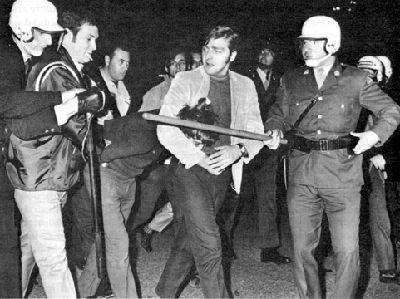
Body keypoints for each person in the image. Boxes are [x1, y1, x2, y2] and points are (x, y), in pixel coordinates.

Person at [265, 16, 400, 299]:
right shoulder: (291, 79)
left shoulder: (356, 78)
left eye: (314, 42)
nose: (306, 48)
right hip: (301, 172)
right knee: (302, 249)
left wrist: (373, 136)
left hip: (343, 175)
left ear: (333, 43)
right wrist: (274, 128)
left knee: (347, 250)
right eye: (304, 42)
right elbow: (277, 113)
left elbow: (391, 111)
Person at [155, 26, 270, 298]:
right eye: (207, 48)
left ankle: (164, 291)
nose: (209, 55)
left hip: (222, 172)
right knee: (209, 242)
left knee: (190, 239)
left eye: (218, 50)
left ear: (233, 55)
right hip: (189, 169)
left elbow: (255, 132)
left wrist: (237, 150)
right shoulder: (185, 79)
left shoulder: (245, 85)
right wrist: (197, 158)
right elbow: (165, 127)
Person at [0, 0, 101, 297]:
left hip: (32, 173)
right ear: (23, 30)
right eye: (44, 33)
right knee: (53, 260)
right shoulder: (10, 59)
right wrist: (67, 100)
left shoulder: (27, 60)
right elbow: (14, 115)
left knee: (24, 250)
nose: (49, 40)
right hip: (33, 175)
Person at [244, 45, 290, 264]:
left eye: (269, 52)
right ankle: (221, 246)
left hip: (269, 145)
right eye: (261, 52)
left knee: (268, 196)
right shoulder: (243, 77)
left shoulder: (281, 81)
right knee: (232, 194)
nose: (264, 55)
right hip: (244, 143)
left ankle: (269, 248)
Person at [358, 55, 400, 284]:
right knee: (376, 213)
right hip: (366, 161)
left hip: (383, 160)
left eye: (372, 71)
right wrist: (373, 154)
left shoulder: (386, 97)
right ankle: (386, 267)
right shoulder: (357, 93)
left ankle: (388, 266)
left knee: (384, 212)